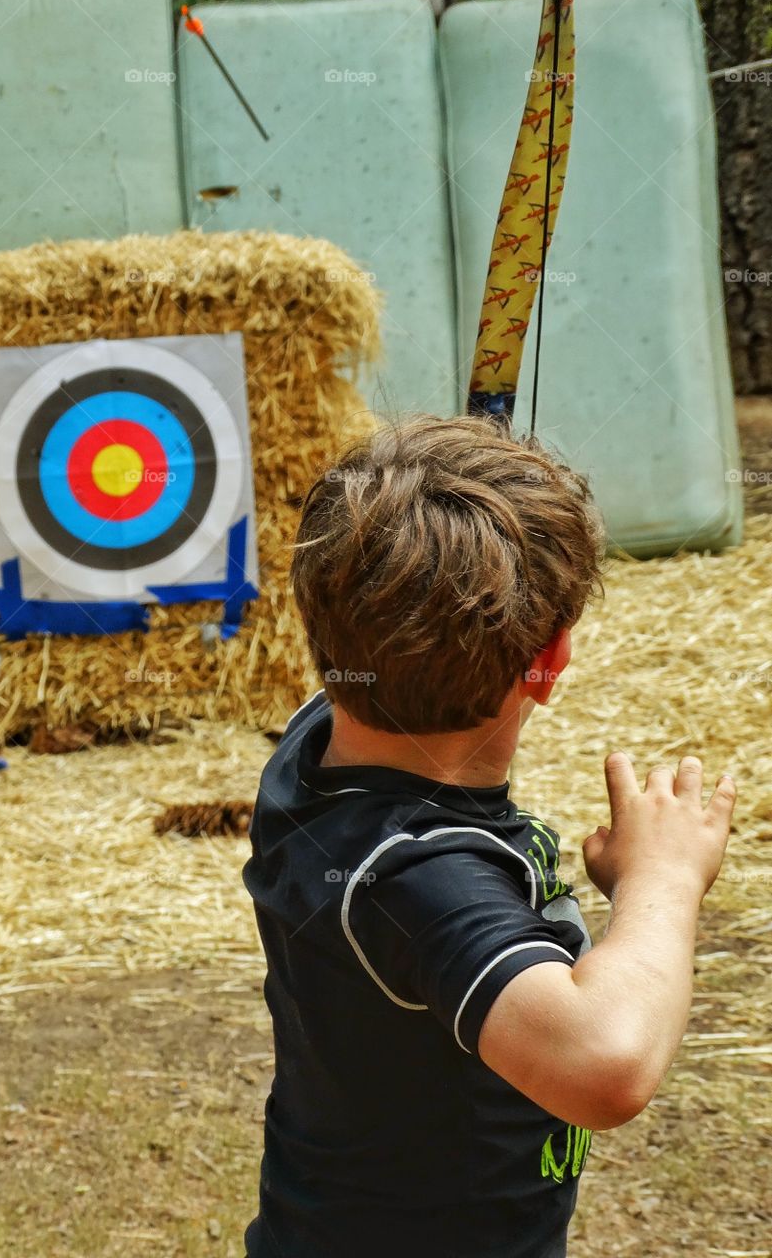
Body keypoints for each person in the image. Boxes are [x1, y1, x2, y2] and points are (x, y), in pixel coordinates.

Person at [242, 415, 736, 1258]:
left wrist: (419, 522)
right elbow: (605, 1068)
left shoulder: (316, 733)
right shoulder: (413, 876)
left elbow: (390, 598)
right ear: (550, 663)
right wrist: (663, 882)